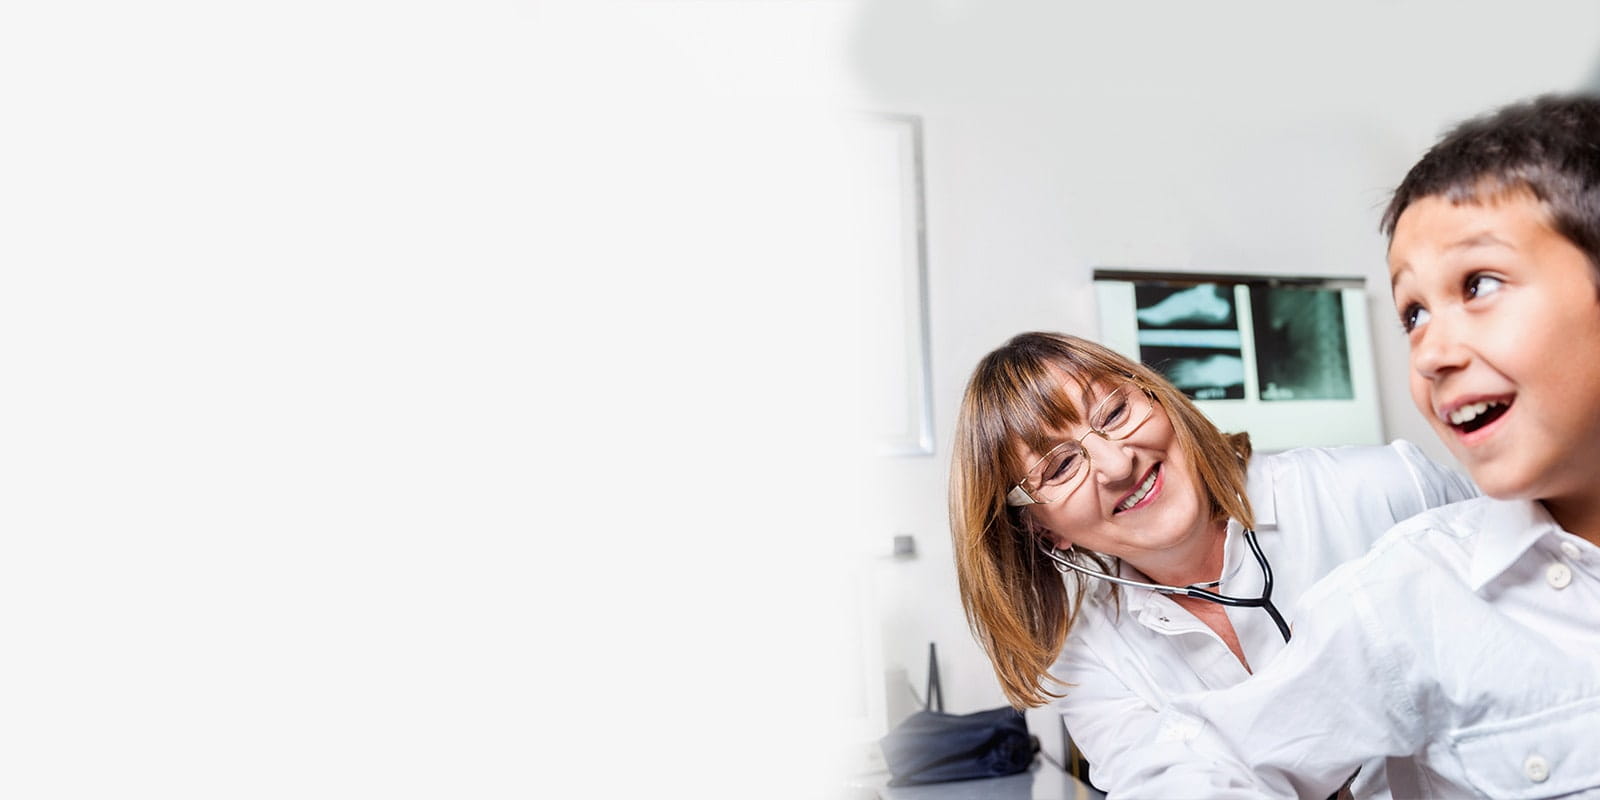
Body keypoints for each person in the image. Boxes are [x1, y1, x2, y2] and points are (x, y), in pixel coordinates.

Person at [1133, 93, 1600, 799]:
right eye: (1413, 313)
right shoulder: (1410, 598)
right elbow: (1208, 763)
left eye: (1478, 284)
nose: (1431, 352)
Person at [948, 331, 1476, 797]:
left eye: (1113, 412)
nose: (1117, 463)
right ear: (1040, 527)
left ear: (1157, 397)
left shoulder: (1385, 489)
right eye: (1060, 466)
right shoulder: (1093, 664)